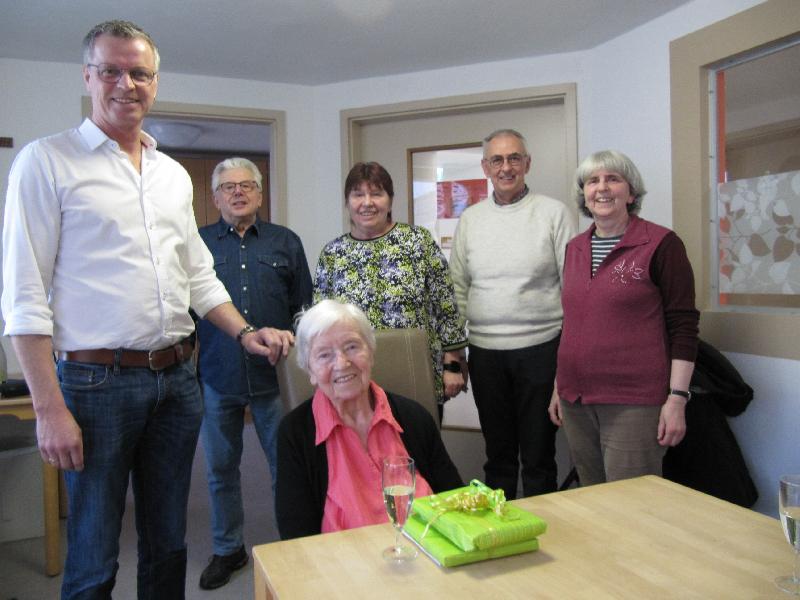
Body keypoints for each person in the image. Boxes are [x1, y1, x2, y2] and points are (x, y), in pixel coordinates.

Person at [1, 21, 292, 599]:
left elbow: (197, 276)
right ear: (88, 76)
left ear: (155, 83)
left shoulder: (172, 175)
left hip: (179, 383)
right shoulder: (46, 162)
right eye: (110, 70)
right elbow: (23, 296)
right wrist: (47, 408)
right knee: (94, 549)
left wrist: (243, 333)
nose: (125, 84)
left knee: (168, 543)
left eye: (139, 72)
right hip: (93, 384)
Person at [548, 149, 699, 486]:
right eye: (592, 181)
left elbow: (684, 326)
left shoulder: (661, 244)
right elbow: (572, 322)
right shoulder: (575, 248)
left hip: (633, 401)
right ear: (584, 194)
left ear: (631, 193)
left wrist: (677, 398)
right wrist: (560, 386)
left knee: (632, 504)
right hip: (576, 400)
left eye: (613, 179)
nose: (602, 188)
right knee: (593, 497)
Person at [196, 157, 312, 589]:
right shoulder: (198, 244)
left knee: (287, 466)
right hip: (217, 375)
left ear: (260, 193)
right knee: (220, 468)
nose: (238, 192)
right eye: (228, 187)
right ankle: (228, 550)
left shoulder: (286, 242)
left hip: (275, 377)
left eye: (247, 185)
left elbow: (305, 311)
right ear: (216, 197)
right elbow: (189, 315)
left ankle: (293, 546)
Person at [449, 128, 576, 500]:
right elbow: (457, 288)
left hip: (541, 350)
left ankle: (545, 537)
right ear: (485, 167)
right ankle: (499, 536)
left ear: (527, 163)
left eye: (514, 158)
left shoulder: (554, 214)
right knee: (498, 456)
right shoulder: (470, 219)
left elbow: (574, 290)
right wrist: (455, 357)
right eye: (498, 160)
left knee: (539, 456)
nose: (507, 167)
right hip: (485, 353)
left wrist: (566, 361)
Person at [275, 299, 463, 539]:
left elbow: (455, 501)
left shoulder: (414, 417)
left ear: (371, 353)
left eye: (352, 347)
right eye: (324, 355)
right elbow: (296, 539)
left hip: (427, 556)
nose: (342, 363)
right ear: (310, 371)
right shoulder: (295, 433)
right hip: (345, 569)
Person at [314, 162, 467, 415]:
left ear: (390, 199)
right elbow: (321, 322)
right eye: (358, 194)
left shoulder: (418, 242)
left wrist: (452, 363)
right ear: (347, 202)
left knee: (418, 448)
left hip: (414, 366)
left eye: (376, 193)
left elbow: (446, 305)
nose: (367, 202)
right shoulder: (333, 254)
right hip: (353, 374)